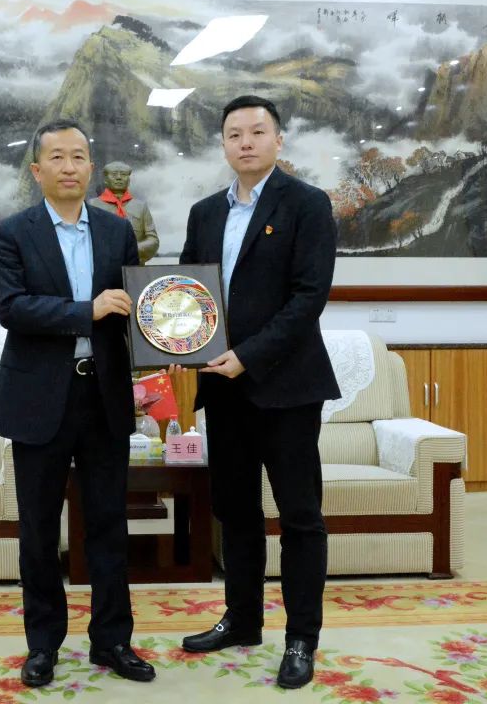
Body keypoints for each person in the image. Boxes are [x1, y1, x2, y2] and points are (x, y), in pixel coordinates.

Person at [177, 95, 340, 689]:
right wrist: (173, 350)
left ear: (278, 140)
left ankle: (302, 639)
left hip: (287, 388)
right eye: (234, 134)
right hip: (222, 390)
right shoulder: (204, 213)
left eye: (256, 132)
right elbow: (185, 295)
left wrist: (248, 355)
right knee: (234, 510)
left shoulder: (307, 204)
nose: (245, 142)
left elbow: (308, 297)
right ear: (223, 144)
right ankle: (242, 620)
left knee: (300, 516)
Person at [0, 119, 155, 687]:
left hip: (103, 395)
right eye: (56, 157)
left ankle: (112, 641)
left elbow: (134, 307)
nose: (68, 166)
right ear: (37, 170)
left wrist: (175, 341)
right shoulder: (12, 233)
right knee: (38, 530)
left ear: (91, 167)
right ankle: (43, 646)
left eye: (78, 156)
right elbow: (12, 308)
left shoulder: (116, 230)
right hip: (38, 398)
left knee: (109, 524)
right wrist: (87, 310)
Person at [89, 160, 160, 264]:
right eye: (114, 174)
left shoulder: (141, 207)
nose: (119, 177)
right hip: (102, 266)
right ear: (106, 180)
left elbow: (153, 240)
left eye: (123, 174)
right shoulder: (92, 205)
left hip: (134, 267)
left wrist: (132, 250)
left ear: (129, 180)